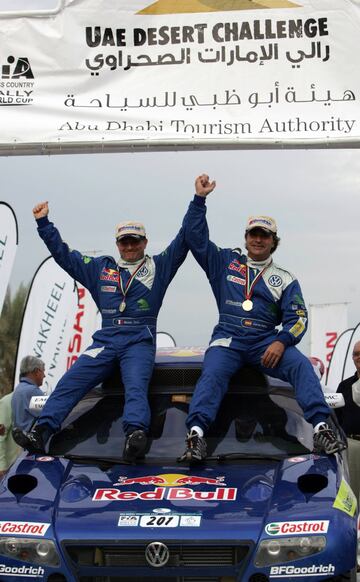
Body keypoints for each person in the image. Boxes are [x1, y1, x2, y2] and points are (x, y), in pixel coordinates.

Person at [179, 174, 345, 462]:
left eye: (264, 235)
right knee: (212, 374)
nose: (257, 239)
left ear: (273, 242)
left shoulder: (285, 278)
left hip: (264, 342)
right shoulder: (225, 262)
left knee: (303, 367)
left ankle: (320, 427)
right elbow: (194, 237)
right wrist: (199, 200)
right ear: (245, 238)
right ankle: (196, 436)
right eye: (253, 234)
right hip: (228, 338)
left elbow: (299, 318)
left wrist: (282, 342)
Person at [13, 201, 188, 462]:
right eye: (124, 242)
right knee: (70, 381)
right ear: (117, 243)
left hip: (139, 339)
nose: (129, 247)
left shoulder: (158, 267)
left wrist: (198, 200)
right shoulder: (101, 269)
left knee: (136, 386)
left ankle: (136, 435)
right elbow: (65, 256)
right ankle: (41, 432)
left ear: (145, 242)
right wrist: (44, 224)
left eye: (134, 241)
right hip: (106, 340)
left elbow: (184, 239)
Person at [335, 340, 360, 502]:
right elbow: (337, 419)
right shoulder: (344, 386)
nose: (359, 357)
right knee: (353, 492)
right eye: (356, 354)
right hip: (352, 445)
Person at [12, 356, 46, 432]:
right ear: (37, 371)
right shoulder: (32, 391)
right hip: (33, 440)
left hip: (22, 440)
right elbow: (49, 412)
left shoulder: (18, 389)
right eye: (43, 371)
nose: (44, 375)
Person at [0, 393, 21, 477]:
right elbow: (1, 437)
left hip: (20, 468)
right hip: (6, 469)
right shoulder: (7, 401)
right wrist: (1, 465)